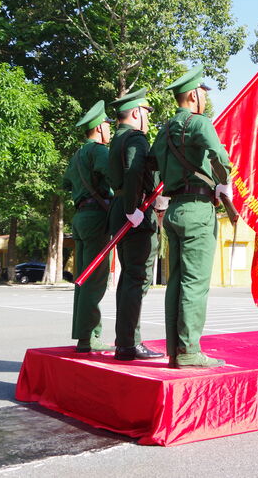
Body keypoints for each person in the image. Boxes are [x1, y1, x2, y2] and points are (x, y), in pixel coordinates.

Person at [150, 66, 231, 368]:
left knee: (177, 282)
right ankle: (189, 351)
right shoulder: (200, 122)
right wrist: (225, 182)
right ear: (195, 95)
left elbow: (152, 163)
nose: (206, 100)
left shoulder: (166, 128)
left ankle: (175, 350)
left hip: (174, 209)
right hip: (198, 208)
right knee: (195, 283)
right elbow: (219, 157)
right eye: (204, 94)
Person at [107, 88, 164, 362]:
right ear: (136, 112)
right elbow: (133, 172)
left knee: (128, 278)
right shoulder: (135, 138)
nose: (148, 120)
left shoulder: (117, 138)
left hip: (124, 208)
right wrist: (133, 209)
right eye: (147, 113)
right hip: (135, 211)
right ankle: (129, 343)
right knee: (137, 278)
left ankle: (125, 339)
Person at [62, 100, 114, 353]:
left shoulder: (77, 155)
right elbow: (114, 178)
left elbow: (66, 183)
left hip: (80, 217)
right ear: (99, 128)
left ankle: (86, 334)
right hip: (96, 218)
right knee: (95, 280)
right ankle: (88, 338)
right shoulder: (99, 151)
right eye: (107, 125)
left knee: (82, 279)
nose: (110, 130)